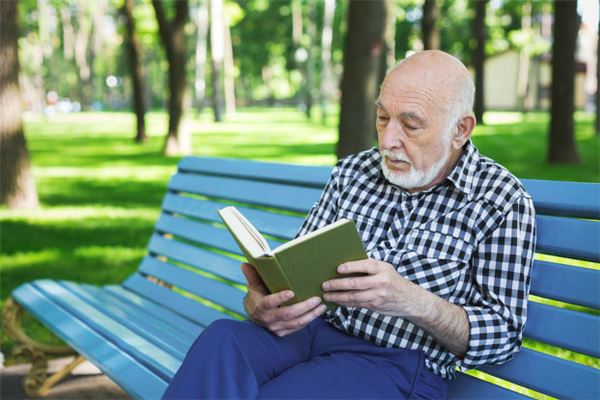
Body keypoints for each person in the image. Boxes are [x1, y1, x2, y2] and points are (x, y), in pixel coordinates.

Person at [163, 50, 536, 399]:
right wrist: (264, 301)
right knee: (222, 340)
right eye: (383, 117)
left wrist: (411, 300)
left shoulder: (500, 200)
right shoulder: (354, 172)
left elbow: (502, 334)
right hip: (311, 334)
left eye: (410, 124)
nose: (388, 140)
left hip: (396, 364)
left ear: (461, 129)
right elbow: (297, 269)